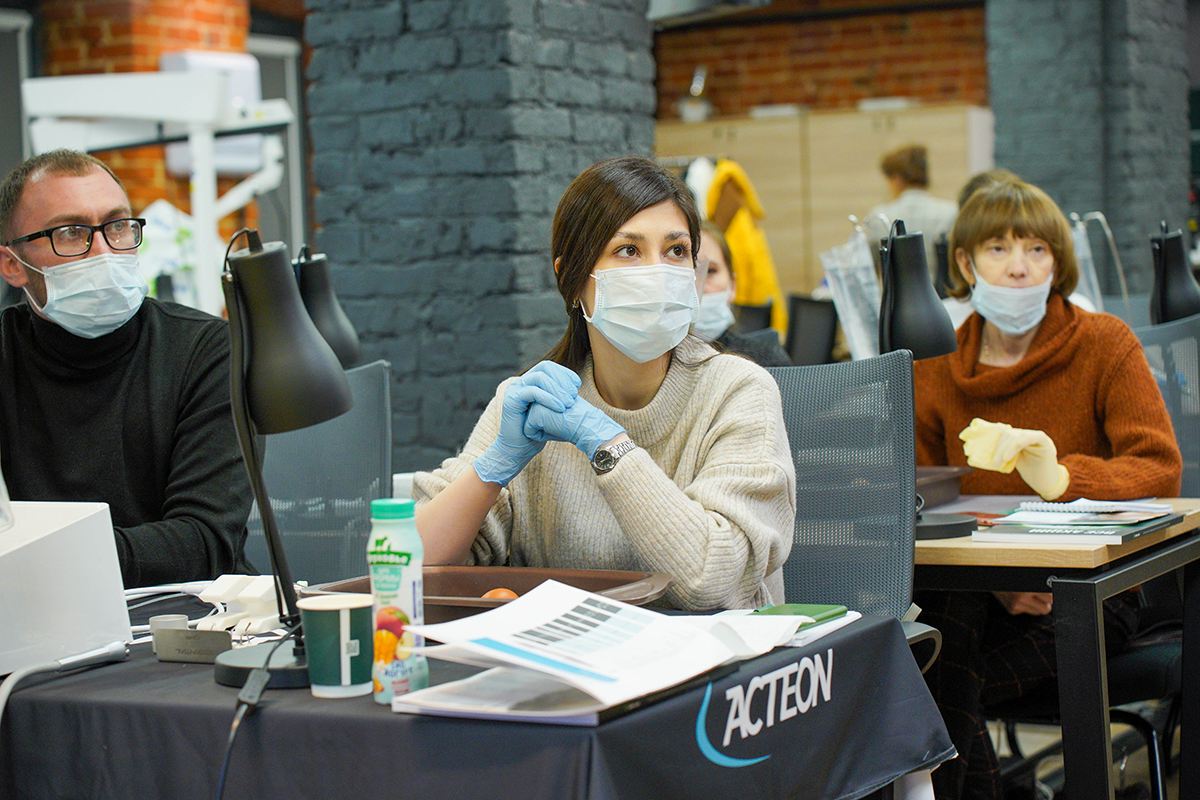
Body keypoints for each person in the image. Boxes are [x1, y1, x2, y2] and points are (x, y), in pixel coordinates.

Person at [413, 156, 796, 611]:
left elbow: (711, 580)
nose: (657, 272)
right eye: (628, 250)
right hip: (566, 649)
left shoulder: (739, 391)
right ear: (572, 278)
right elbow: (408, 569)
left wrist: (607, 445)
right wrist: (492, 469)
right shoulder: (535, 401)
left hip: (709, 654)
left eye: (676, 251)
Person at [911, 178, 1182, 800]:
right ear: (965, 263)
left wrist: (1064, 479)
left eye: (1036, 249)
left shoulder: (1104, 343)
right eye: (998, 249)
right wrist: (1000, 579)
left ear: (1057, 262)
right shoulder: (936, 363)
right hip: (983, 592)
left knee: (932, 685)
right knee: (941, 634)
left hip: (1093, 591)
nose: (1019, 268)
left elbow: (1158, 466)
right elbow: (920, 494)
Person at [0, 149, 254, 588]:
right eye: (71, 233)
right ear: (12, 265)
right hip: (29, 613)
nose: (103, 251)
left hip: (184, 613)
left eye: (117, 226)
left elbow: (203, 543)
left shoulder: (207, 350)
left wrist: (37, 559)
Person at [693, 221, 792, 367]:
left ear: (733, 286)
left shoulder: (765, 359)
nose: (698, 285)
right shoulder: (657, 365)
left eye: (710, 271)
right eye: (687, 272)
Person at [863, 144, 958, 279]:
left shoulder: (879, 216)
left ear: (896, 179)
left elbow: (871, 268)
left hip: (897, 292)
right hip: (941, 291)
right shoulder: (951, 212)